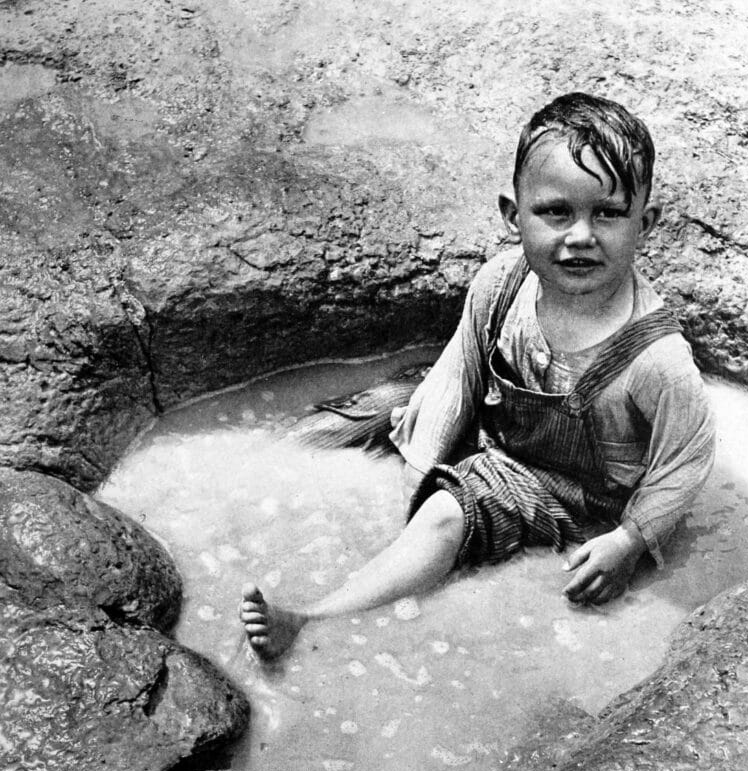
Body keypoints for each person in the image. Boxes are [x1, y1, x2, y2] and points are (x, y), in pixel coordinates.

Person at [240, 92, 715, 658]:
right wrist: (411, 474)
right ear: (514, 216)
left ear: (646, 223)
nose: (582, 235)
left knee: (447, 512)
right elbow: (457, 377)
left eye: (608, 214)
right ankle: (253, 459)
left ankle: (314, 620)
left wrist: (630, 541)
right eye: (556, 212)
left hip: (575, 492)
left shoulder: (654, 357)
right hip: (500, 425)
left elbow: (686, 460)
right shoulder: (501, 283)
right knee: (387, 403)